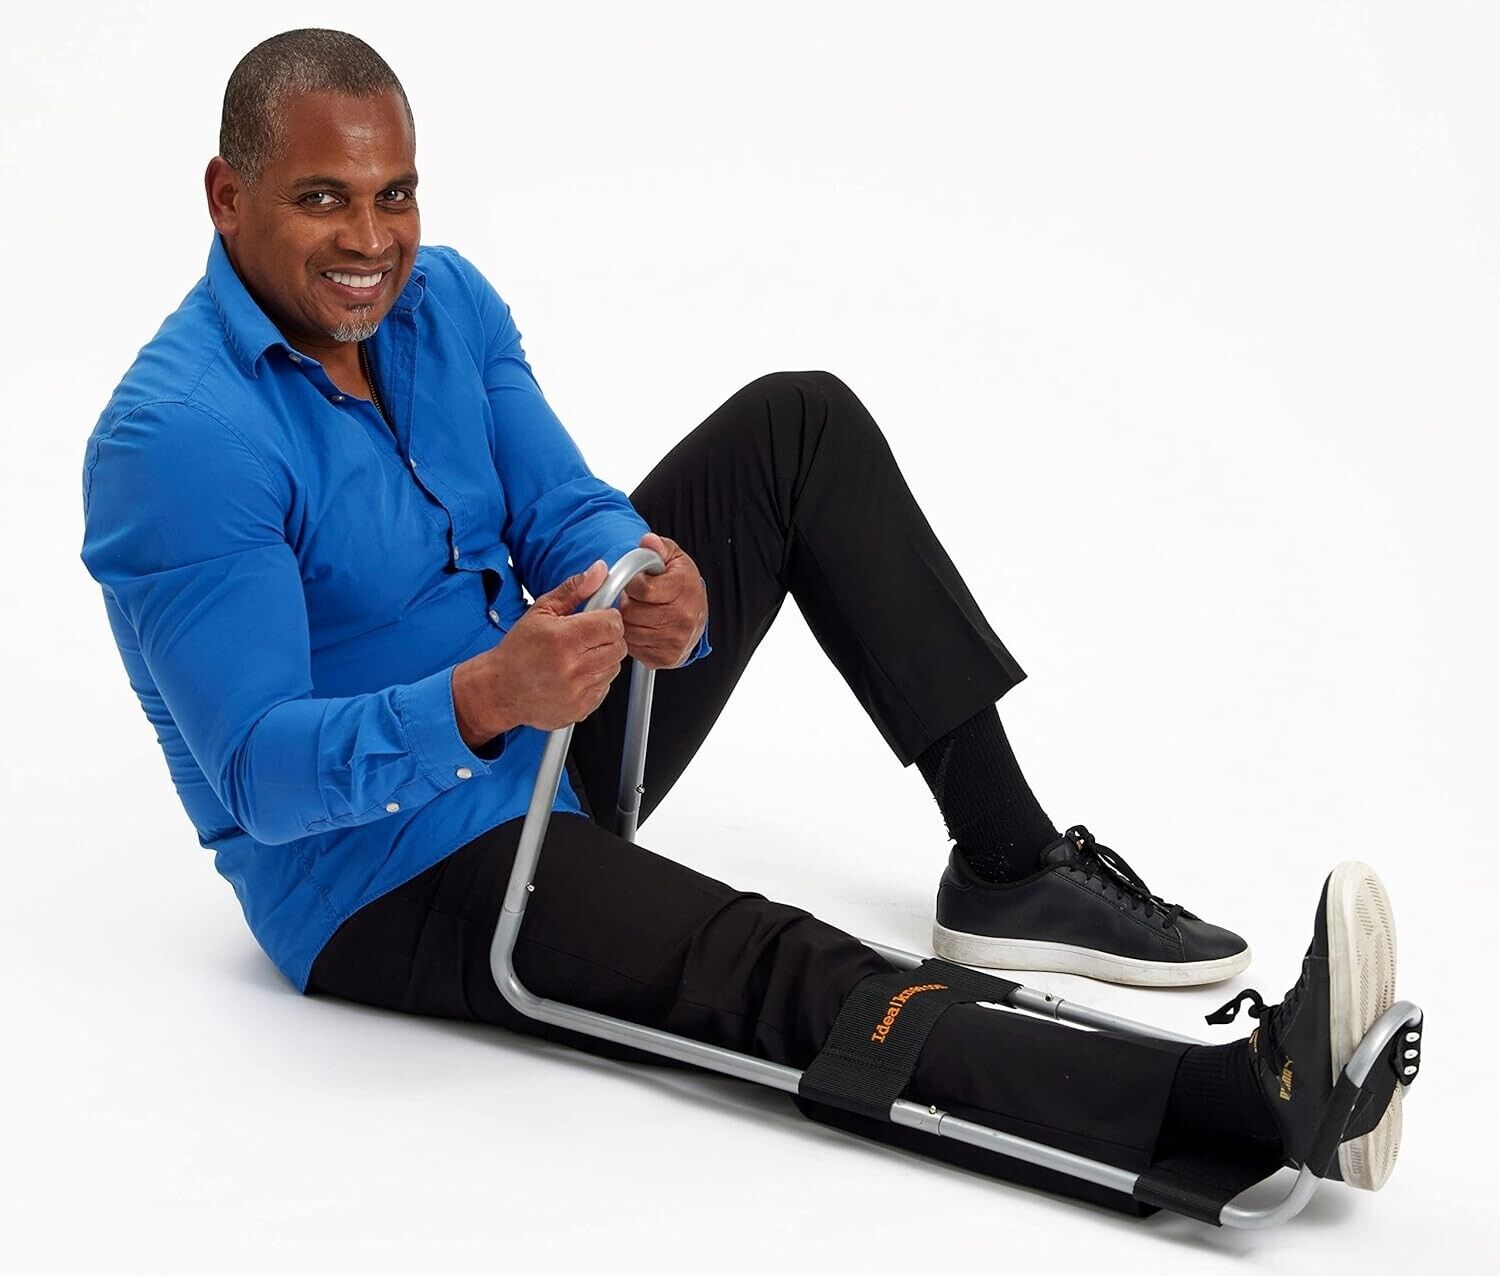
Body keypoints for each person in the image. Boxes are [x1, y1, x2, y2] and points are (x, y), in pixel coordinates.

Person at [79, 28, 1408, 1212]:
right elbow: (260, 777)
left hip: (546, 718)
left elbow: (561, 507)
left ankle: (1008, 867)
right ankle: (1245, 1110)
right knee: (772, 964)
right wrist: (484, 698)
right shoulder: (182, 439)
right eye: (323, 199)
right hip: (386, 869)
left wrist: (647, 575)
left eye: (396, 195)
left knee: (797, 426)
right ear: (227, 195)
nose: (372, 241)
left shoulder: (446, 303)